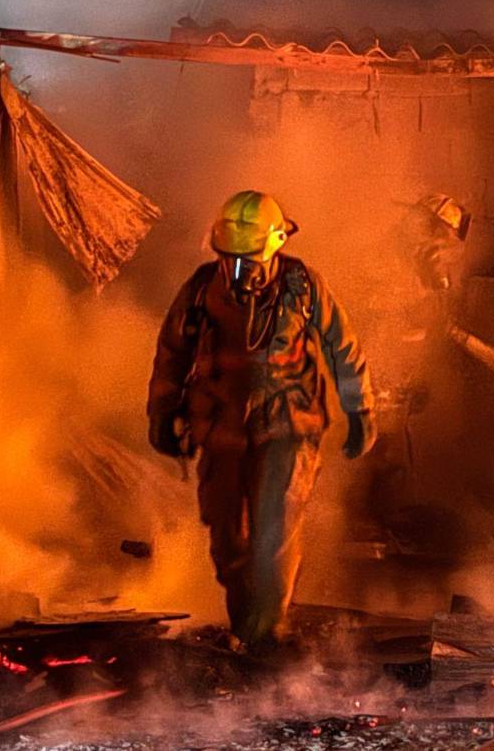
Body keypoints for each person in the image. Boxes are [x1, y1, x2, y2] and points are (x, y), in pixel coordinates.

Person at [147, 190, 376, 649]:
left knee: (275, 528)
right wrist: (162, 412)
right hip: (221, 427)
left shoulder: (303, 286)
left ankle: (266, 632)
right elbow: (173, 352)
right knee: (229, 538)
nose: (237, 271)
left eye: (246, 260)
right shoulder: (200, 289)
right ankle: (246, 624)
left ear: (274, 246)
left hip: (288, 426)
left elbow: (342, 346)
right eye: (228, 259)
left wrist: (360, 408)